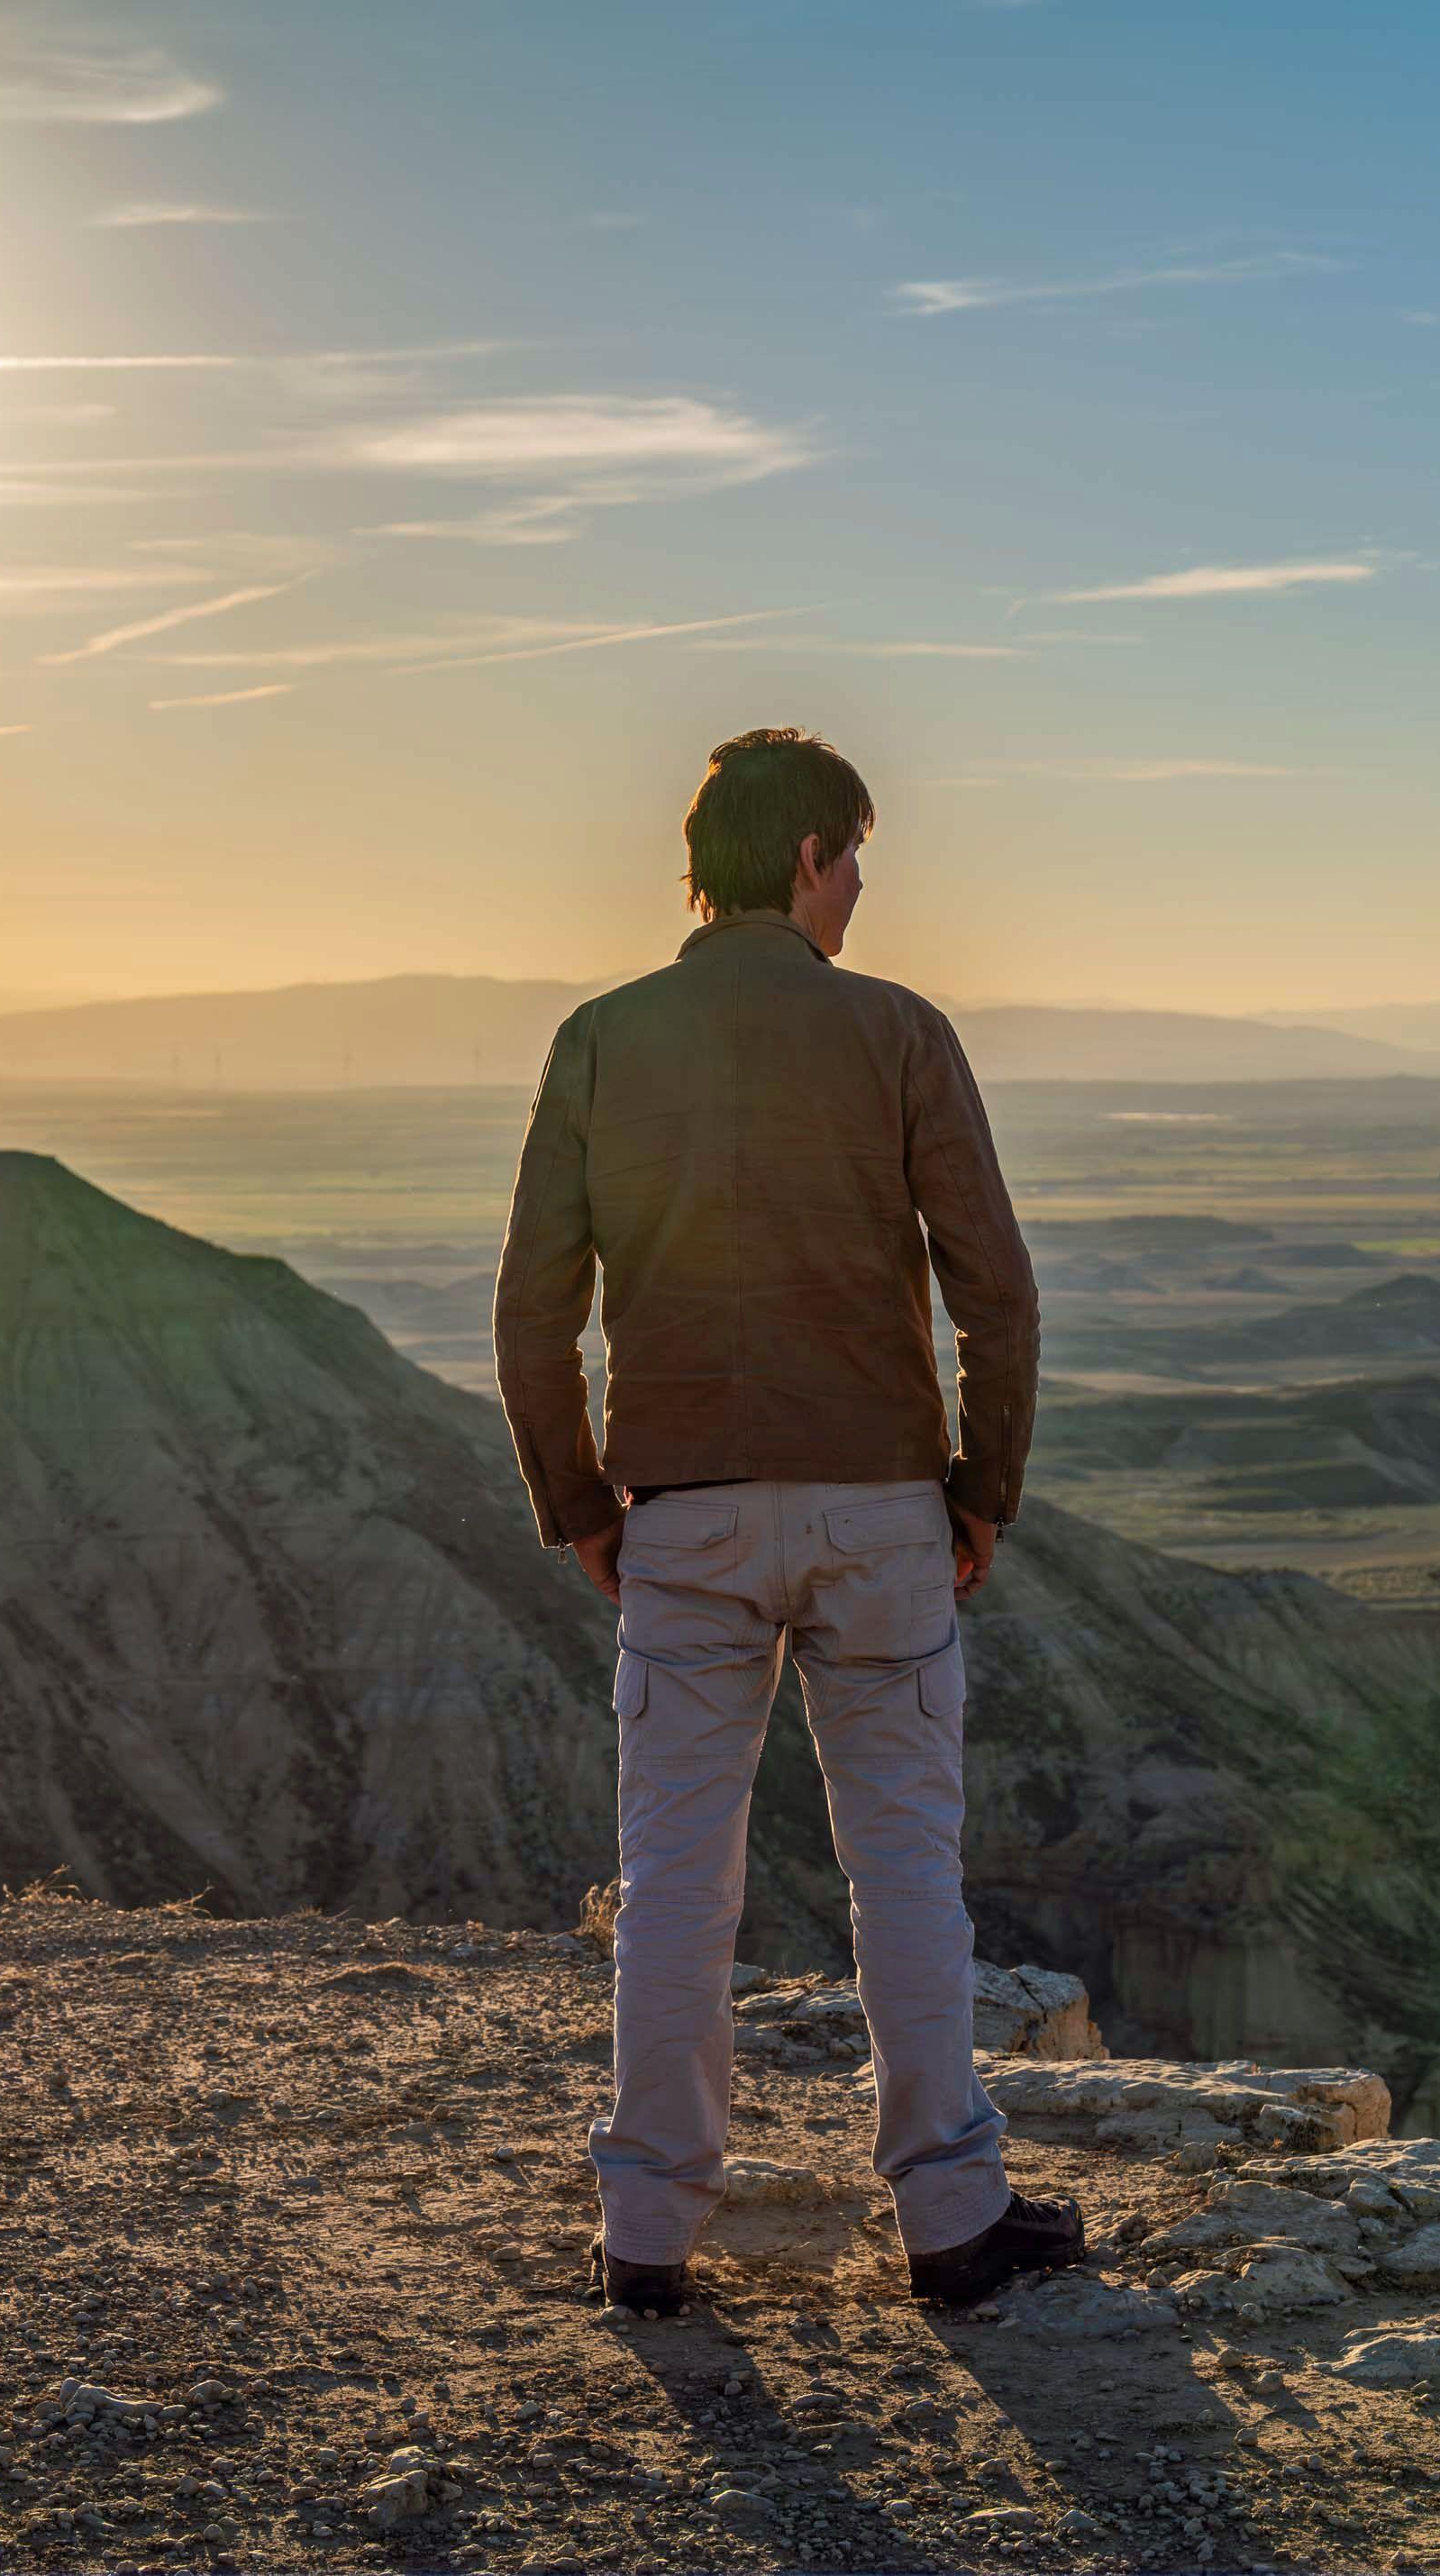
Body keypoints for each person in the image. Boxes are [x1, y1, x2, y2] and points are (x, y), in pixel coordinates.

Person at [492, 726, 1082, 2315]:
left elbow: (531, 1313)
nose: (861, 894)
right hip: (880, 1512)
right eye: (856, 862)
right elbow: (996, 1298)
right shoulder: (895, 1033)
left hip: (678, 1513)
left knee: (677, 1878)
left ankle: (646, 2236)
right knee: (904, 1869)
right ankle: (952, 2220)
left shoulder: (602, 1039)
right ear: (811, 858)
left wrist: (577, 1507)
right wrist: (982, 1493)